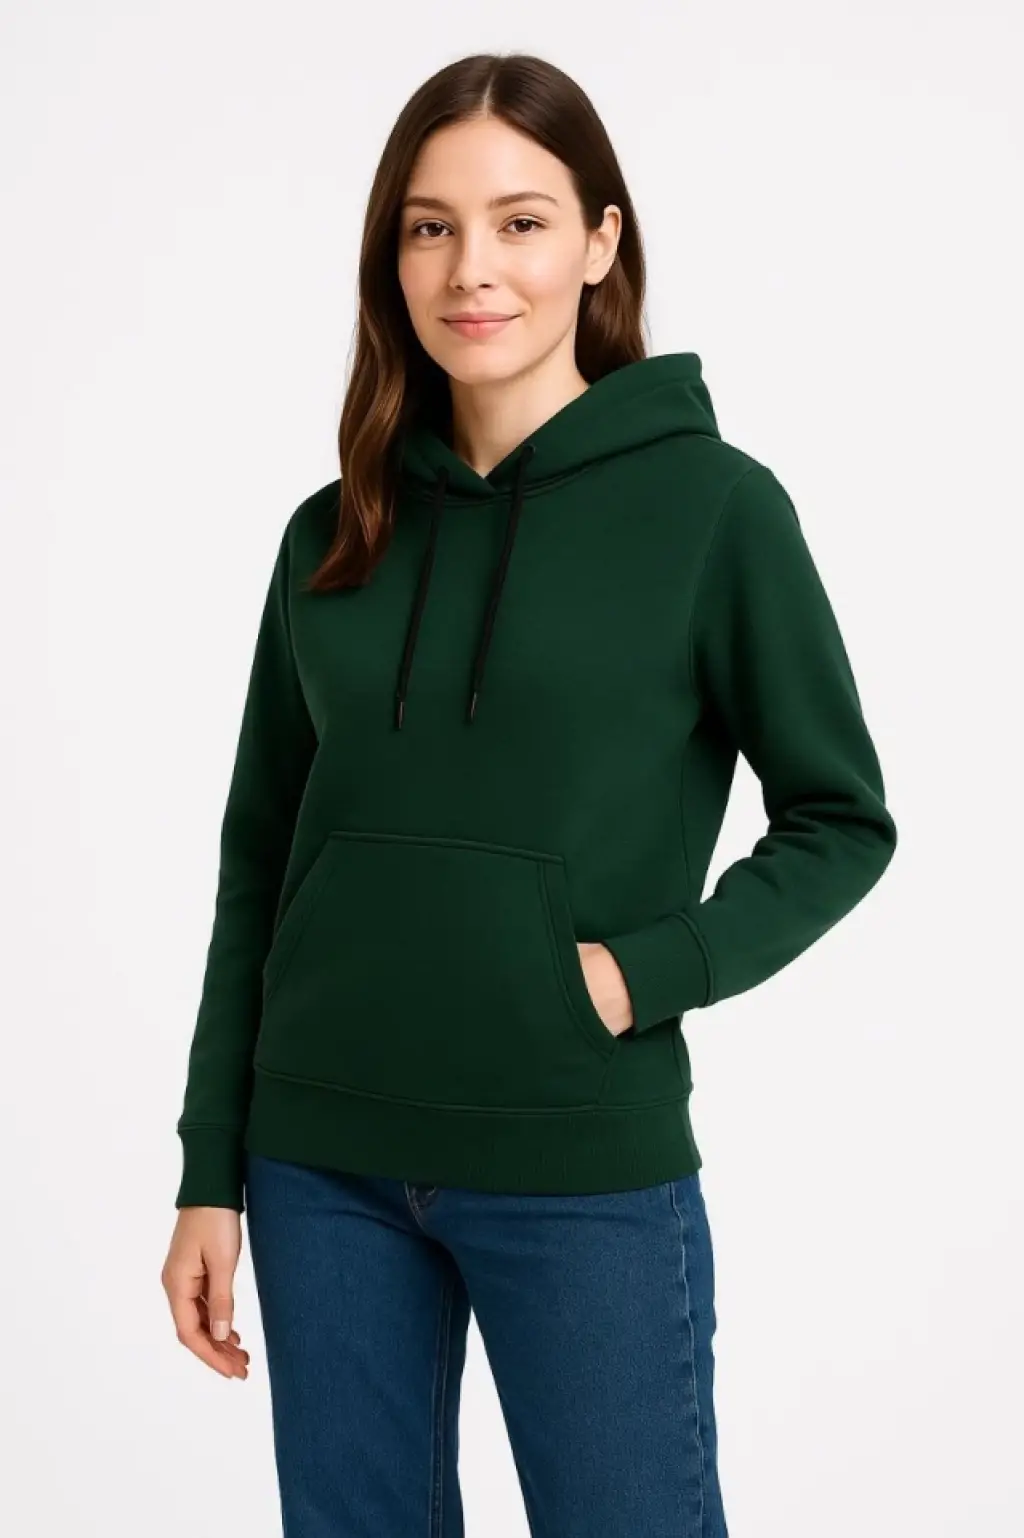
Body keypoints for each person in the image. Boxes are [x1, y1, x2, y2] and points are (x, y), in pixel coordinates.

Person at [160, 50, 897, 1538]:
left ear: (601, 243)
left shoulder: (713, 511)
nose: (471, 269)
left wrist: (643, 973)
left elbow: (841, 820)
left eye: (520, 222)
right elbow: (260, 856)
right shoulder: (335, 532)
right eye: (430, 227)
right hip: (319, 1165)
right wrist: (208, 1169)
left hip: (576, 1153)